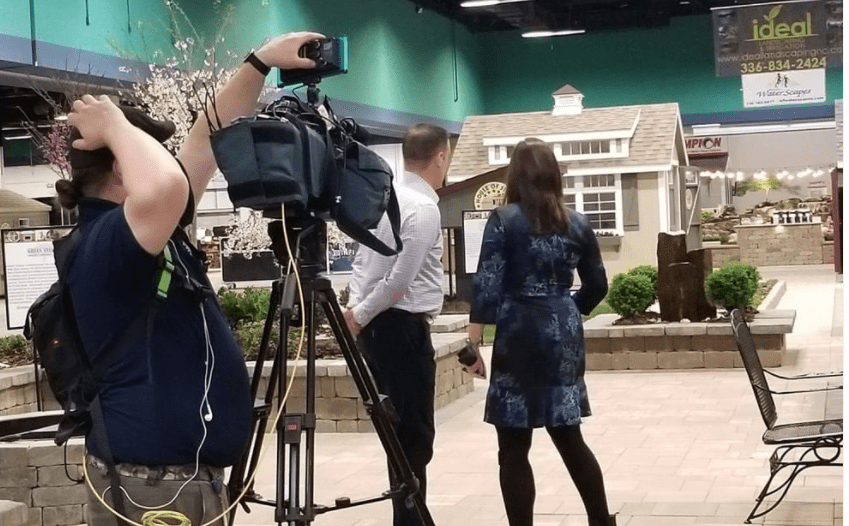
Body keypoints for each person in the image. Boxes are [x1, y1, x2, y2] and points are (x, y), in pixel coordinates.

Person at [56, 32, 322, 526]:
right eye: (152, 151)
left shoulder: (145, 233)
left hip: (171, 486)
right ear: (122, 168)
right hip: (151, 490)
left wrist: (260, 62)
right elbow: (167, 185)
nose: (169, 161)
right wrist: (114, 124)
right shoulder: (108, 242)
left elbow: (204, 139)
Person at [465, 138, 617, 526]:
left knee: (513, 447)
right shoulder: (577, 222)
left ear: (514, 175)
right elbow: (598, 284)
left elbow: (487, 284)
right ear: (554, 175)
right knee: (568, 436)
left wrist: (472, 343)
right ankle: (601, 521)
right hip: (562, 332)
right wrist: (568, 309)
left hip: (518, 333)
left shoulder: (503, 220)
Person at [343, 123, 450, 526]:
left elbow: (362, 263)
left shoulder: (385, 200)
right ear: (440, 157)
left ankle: (408, 518)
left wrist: (355, 309)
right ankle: (410, 521)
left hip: (379, 331)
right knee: (413, 439)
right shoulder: (423, 209)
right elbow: (399, 279)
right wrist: (361, 314)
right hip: (402, 331)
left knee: (398, 436)